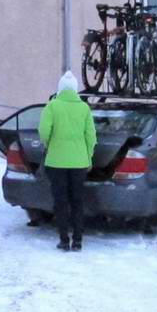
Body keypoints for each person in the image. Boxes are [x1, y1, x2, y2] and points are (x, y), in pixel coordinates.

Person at [38, 71, 96, 251]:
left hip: (56, 161)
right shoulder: (84, 108)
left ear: (60, 88)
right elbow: (91, 136)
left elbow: (43, 131)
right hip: (79, 162)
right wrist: (88, 157)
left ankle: (64, 239)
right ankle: (78, 240)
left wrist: (49, 144)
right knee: (77, 201)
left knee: (60, 201)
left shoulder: (52, 106)